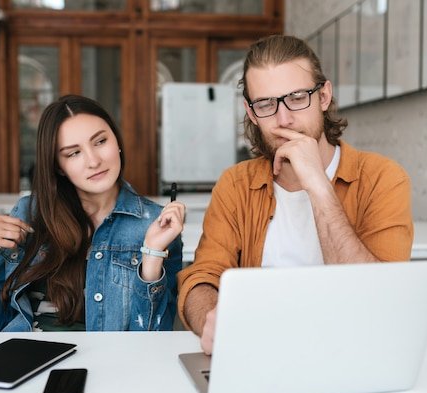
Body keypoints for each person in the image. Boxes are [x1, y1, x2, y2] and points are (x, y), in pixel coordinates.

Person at [177, 35, 414, 354]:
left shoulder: (383, 178)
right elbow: (201, 278)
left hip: (353, 351)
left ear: (324, 96)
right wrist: (212, 319)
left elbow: (382, 300)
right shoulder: (235, 184)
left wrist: (317, 184)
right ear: (251, 111)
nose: (284, 118)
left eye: (298, 97)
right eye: (266, 104)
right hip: (258, 352)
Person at [0, 94, 185, 332]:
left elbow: (150, 343)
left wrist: (151, 258)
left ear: (117, 142)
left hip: (111, 367)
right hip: (27, 362)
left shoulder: (157, 224)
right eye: (73, 153)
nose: (93, 161)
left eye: (100, 141)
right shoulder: (28, 213)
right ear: (58, 166)